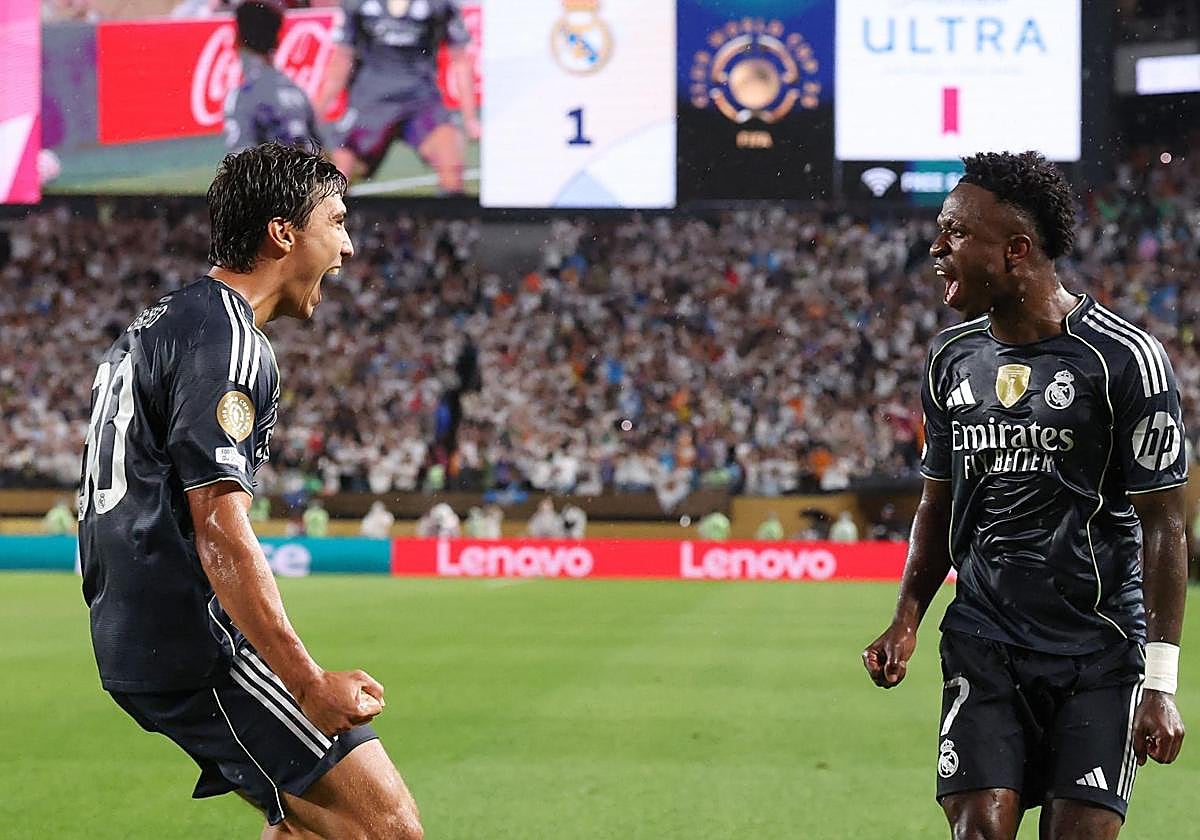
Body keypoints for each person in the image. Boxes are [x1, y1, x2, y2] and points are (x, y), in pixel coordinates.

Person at [78, 143, 422, 839]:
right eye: (337, 221)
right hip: (190, 640)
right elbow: (221, 528)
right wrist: (305, 679)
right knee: (388, 828)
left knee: (304, 821)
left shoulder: (165, 321)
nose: (348, 246)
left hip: (134, 627)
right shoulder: (229, 342)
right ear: (283, 232)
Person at [863, 151, 1186, 840]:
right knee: (980, 831)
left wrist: (1161, 682)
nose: (936, 247)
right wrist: (907, 616)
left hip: (1100, 648)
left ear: (1015, 250)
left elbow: (1164, 525)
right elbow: (935, 502)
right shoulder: (952, 360)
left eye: (955, 232)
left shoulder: (1124, 360)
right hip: (986, 640)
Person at [316, 0, 478, 192]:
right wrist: (315, 115)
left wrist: (470, 119)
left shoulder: (441, 4)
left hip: (422, 102)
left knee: (452, 165)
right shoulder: (356, 4)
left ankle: (451, 221)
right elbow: (341, 60)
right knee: (335, 179)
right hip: (370, 102)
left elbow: (460, 60)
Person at [223, 0, 322, 153]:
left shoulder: (243, 96)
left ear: (238, 39)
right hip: (303, 174)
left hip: (272, 175)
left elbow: (241, 159)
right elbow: (320, 153)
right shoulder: (297, 92)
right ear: (277, 41)